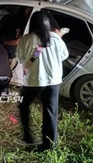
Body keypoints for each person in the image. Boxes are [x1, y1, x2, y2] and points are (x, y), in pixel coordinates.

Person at [16, 11, 69, 151]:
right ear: (48, 25)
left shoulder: (27, 39)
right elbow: (64, 55)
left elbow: (21, 59)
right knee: (50, 111)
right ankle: (49, 145)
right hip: (54, 81)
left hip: (33, 81)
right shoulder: (56, 39)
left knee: (23, 106)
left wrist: (36, 56)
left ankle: (28, 136)